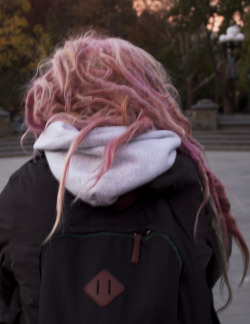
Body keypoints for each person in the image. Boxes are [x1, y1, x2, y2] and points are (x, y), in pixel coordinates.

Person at [0, 31, 248, 323]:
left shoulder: (24, 191)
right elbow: (210, 267)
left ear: (56, 94)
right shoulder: (189, 185)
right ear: (149, 92)